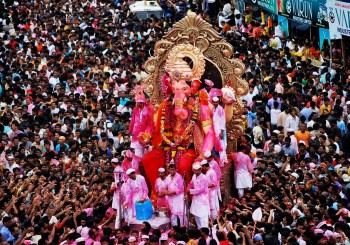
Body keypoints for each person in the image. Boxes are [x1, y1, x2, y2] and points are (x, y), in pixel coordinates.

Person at [187, 163, 210, 228]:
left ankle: (205, 232)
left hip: (203, 200)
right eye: (195, 170)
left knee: (203, 217)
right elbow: (191, 183)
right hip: (196, 200)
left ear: (200, 169)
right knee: (197, 216)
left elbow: (200, 189)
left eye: (197, 170)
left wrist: (190, 191)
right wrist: (188, 187)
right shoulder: (194, 176)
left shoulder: (204, 178)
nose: (196, 172)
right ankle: (200, 232)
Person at [212, 96, 227, 164]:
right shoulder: (212, 108)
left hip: (219, 130)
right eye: (214, 102)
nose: (215, 103)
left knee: (221, 146)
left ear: (218, 102)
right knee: (217, 146)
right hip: (214, 129)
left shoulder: (221, 109)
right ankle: (224, 159)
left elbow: (223, 121)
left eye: (216, 102)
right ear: (212, 102)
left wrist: (221, 131)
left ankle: (222, 161)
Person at [111, 158, 124, 228]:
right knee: (118, 208)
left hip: (120, 190)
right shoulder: (118, 169)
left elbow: (121, 181)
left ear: (113, 163)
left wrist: (116, 186)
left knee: (120, 208)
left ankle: (117, 226)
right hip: (117, 190)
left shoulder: (118, 170)